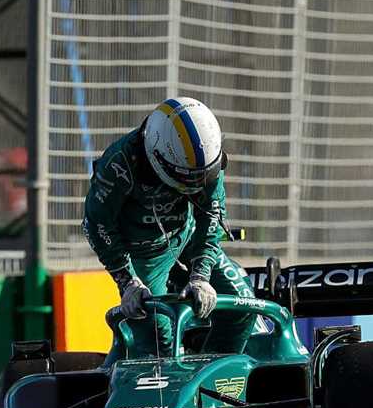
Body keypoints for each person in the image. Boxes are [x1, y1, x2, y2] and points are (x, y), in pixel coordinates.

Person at [82, 96, 255, 356]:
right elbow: (96, 225)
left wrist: (201, 276)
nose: (200, 183)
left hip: (188, 239)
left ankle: (215, 383)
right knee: (158, 341)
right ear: (157, 158)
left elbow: (211, 216)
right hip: (144, 256)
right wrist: (128, 282)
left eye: (205, 174)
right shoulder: (118, 165)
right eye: (190, 177)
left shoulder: (207, 164)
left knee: (244, 306)